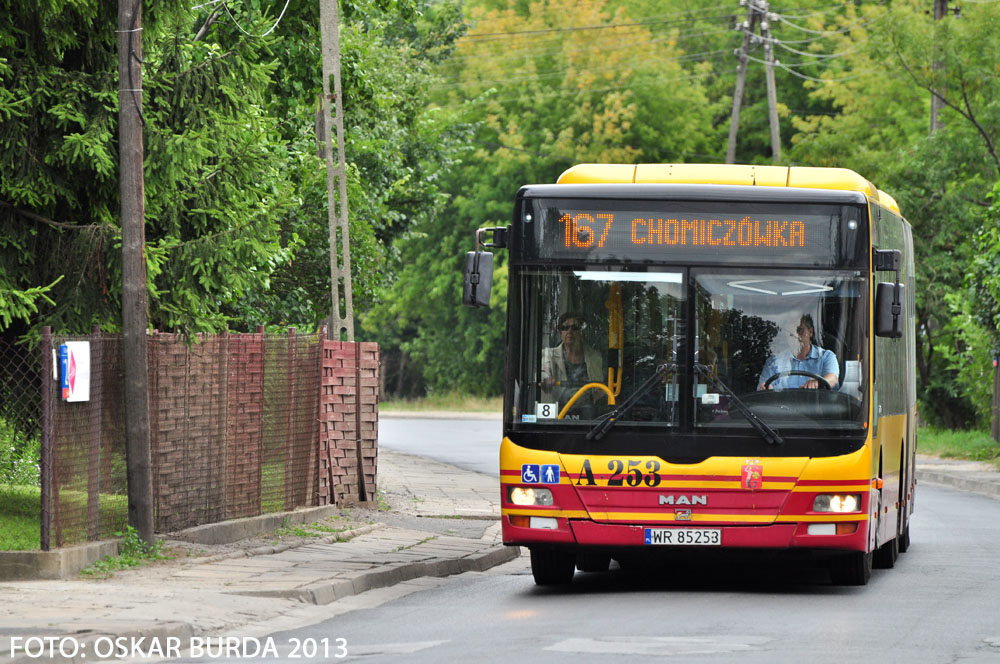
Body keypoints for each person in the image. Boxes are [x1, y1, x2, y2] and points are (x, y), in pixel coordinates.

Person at [757, 314, 839, 390]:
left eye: (800, 330)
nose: (796, 336)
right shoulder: (774, 362)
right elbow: (763, 389)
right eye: (791, 333)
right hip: (781, 405)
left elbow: (832, 379)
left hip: (818, 405)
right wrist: (766, 389)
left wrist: (818, 383)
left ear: (810, 332)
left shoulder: (826, 357)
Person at [541, 311, 604, 406]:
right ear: (560, 332)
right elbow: (541, 374)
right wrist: (545, 380)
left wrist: (597, 397)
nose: (569, 331)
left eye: (575, 328)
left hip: (589, 414)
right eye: (565, 327)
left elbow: (603, 387)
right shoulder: (549, 354)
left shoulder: (595, 357)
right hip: (558, 414)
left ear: (582, 332)